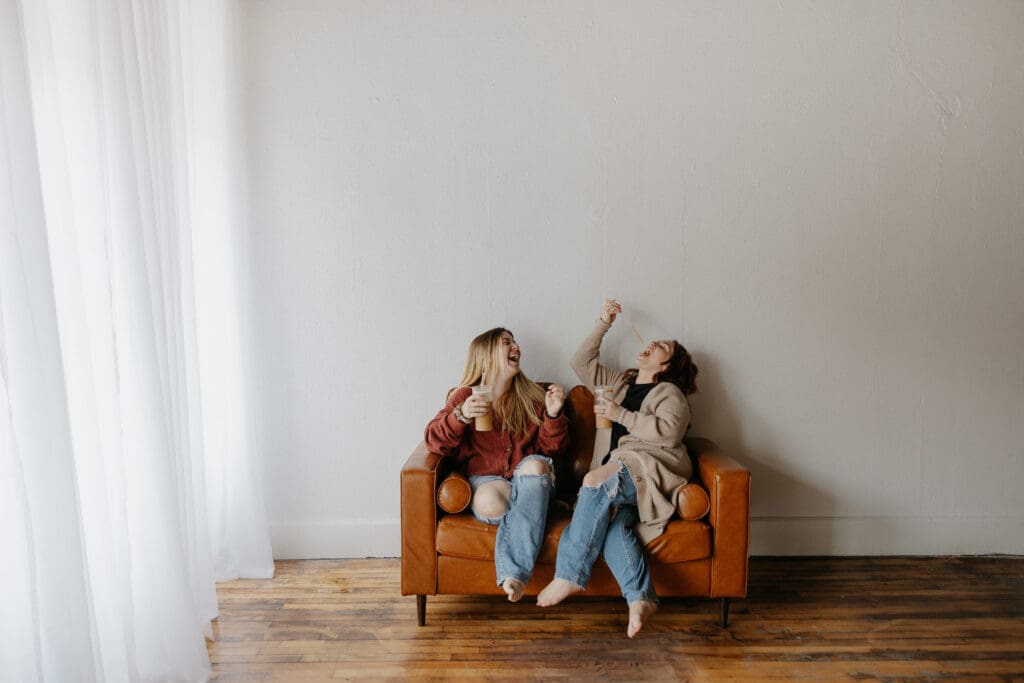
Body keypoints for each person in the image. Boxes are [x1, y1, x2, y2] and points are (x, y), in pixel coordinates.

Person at [537, 299, 698, 638]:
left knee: (596, 480)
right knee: (614, 530)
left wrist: (618, 414)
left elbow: (668, 433)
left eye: (662, 347)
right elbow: (580, 361)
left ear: (669, 365)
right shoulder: (619, 383)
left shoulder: (670, 393)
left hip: (650, 469)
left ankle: (569, 573)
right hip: (622, 473)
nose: (651, 344)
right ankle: (641, 599)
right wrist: (603, 321)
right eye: (653, 342)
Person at [424, 327, 569, 602]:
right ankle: (539, 509)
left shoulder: (534, 395)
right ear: (486, 355)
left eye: (515, 341)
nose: (516, 346)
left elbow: (554, 449)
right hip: (488, 480)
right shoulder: (464, 396)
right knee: (490, 502)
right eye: (506, 343)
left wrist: (553, 414)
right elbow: (433, 441)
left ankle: (514, 573)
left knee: (536, 468)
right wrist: (461, 415)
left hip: (530, 475)